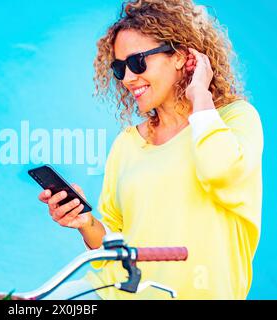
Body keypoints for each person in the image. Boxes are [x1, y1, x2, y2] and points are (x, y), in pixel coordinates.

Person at [39, 0, 264, 300]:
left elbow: (219, 171)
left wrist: (200, 95)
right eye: (120, 68)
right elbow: (112, 247)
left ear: (182, 56)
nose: (128, 78)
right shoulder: (127, 143)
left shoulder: (235, 120)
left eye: (137, 62)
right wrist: (87, 223)